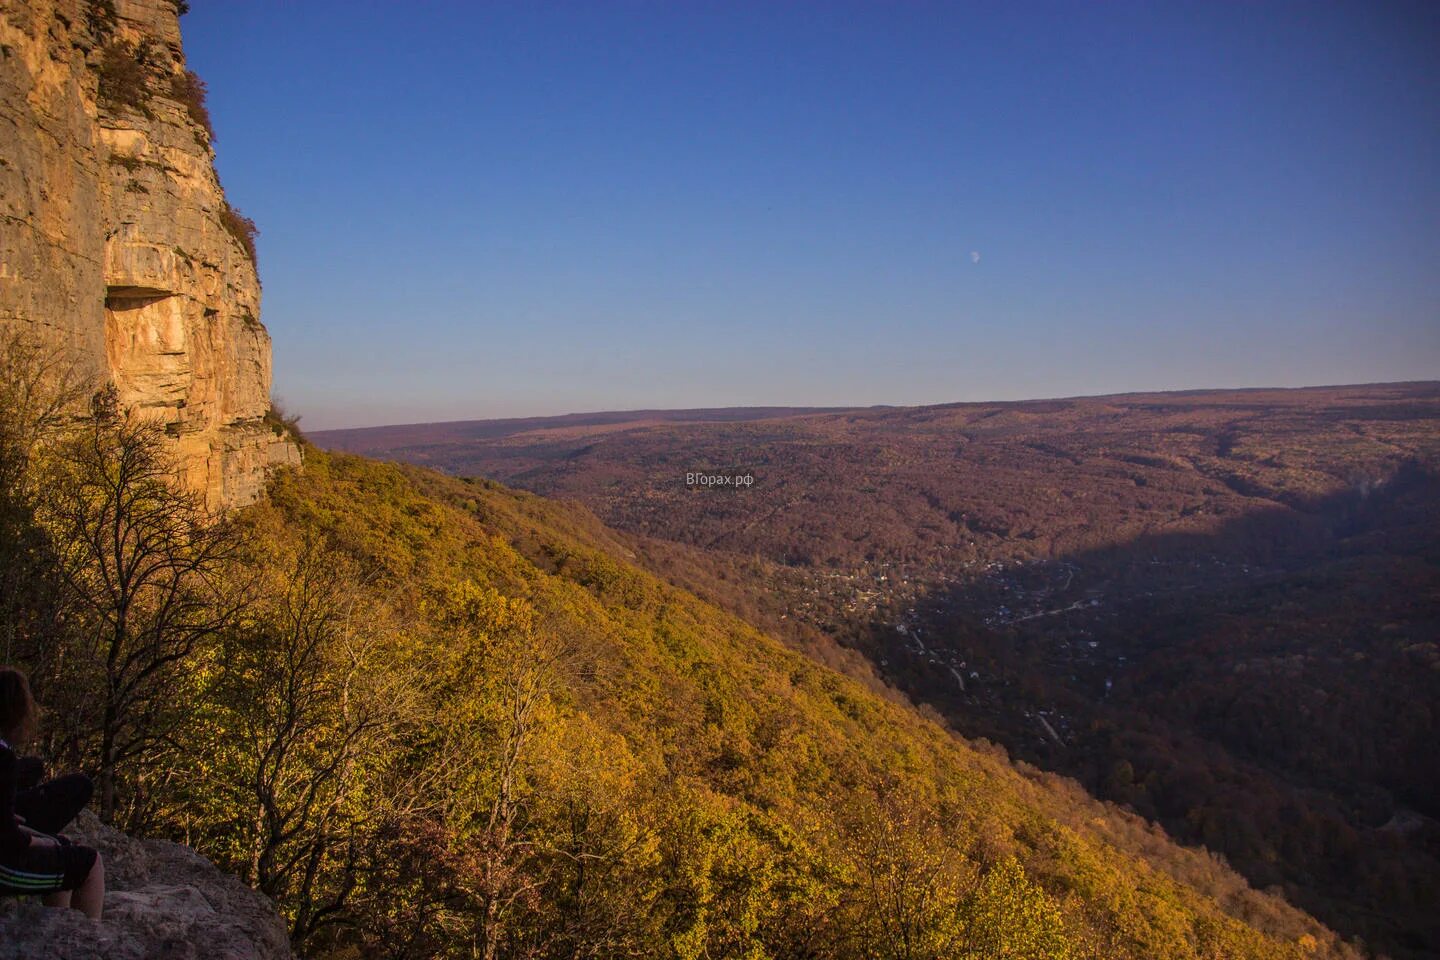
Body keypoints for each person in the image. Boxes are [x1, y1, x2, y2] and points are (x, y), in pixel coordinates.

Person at [0, 667, 104, 919]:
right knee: (89, 863)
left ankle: (60, 928)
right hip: (3, 865)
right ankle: (87, 943)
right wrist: (39, 840)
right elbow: (7, 839)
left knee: (61, 848)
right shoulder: (2, 758)